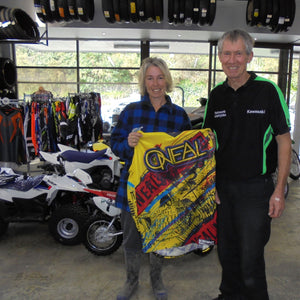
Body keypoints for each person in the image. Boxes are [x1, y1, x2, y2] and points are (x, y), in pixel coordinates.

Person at [202, 29, 291, 300]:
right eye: (226, 54)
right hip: (224, 190)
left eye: (238, 53)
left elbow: (284, 142)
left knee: (250, 257)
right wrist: (210, 184)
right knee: (226, 252)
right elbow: (207, 145)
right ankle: (228, 295)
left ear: (249, 56)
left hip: (256, 190)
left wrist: (279, 190)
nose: (232, 60)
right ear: (220, 57)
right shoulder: (216, 95)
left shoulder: (268, 90)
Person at [110, 57, 192, 300]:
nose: (155, 83)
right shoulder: (130, 111)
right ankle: (131, 281)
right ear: (143, 82)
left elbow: (188, 157)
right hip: (133, 188)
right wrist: (128, 143)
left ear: (167, 80)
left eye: (159, 77)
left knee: (158, 239)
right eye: (150, 78)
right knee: (132, 240)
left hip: (163, 191)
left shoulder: (179, 116)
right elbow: (114, 144)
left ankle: (157, 282)